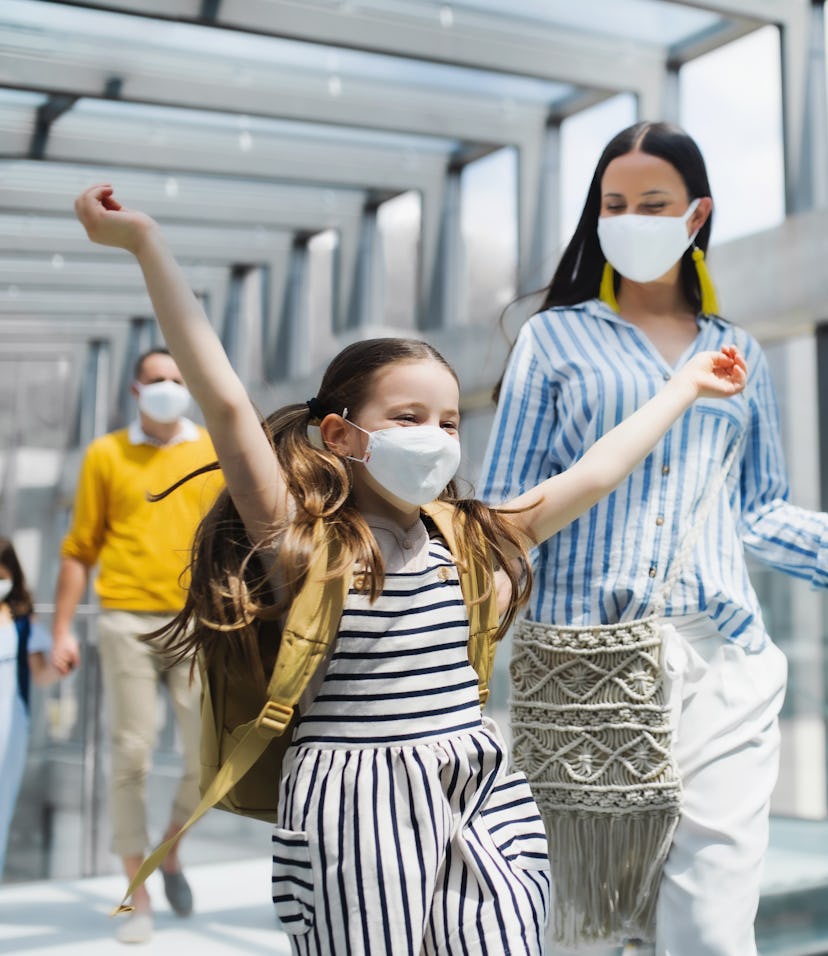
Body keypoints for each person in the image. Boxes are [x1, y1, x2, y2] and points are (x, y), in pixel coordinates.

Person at [71, 181, 745, 955]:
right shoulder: (302, 541)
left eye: (450, 421)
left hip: (473, 777)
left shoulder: (469, 537)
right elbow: (223, 403)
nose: (436, 436)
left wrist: (685, 387)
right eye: (408, 418)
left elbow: (593, 473)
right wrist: (146, 244)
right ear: (341, 434)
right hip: (356, 799)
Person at [479, 120, 815, 956]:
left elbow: (761, 509)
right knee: (586, 925)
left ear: (695, 216)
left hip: (724, 661)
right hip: (587, 667)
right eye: (613, 203)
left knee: (710, 928)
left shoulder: (738, 352)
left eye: (653, 203)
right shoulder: (553, 340)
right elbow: (503, 515)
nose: (630, 218)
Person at [50, 345, 222, 943]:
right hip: (124, 617)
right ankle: (137, 890)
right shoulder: (106, 454)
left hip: (196, 620)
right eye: (157, 379)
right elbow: (79, 549)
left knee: (208, 760)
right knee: (131, 754)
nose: (169, 387)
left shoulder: (212, 452)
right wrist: (60, 630)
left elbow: (232, 540)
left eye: (178, 378)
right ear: (134, 390)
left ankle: (168, 853)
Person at [0, 536, 59, 878]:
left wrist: (61, 664)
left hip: (11, 725)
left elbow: (41, 675)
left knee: (2, 807)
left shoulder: (22, 620)